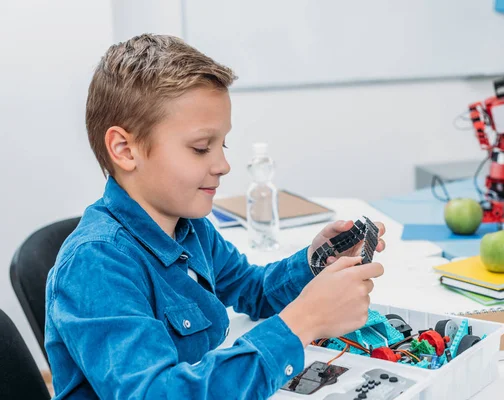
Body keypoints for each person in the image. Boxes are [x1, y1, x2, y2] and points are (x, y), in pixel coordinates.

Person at [45, 34, 386, 399]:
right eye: (200, 148)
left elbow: (252, 290)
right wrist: (302, 322)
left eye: (222, 145)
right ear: (125, 150)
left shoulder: (189, 228)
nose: (223, 165)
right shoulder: (96, 264)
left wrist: (315, 262)